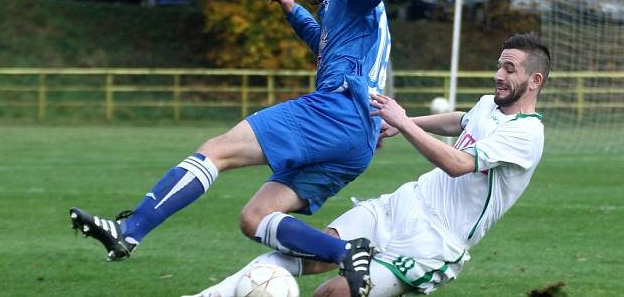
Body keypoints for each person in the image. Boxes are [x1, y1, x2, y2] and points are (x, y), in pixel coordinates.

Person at [70, 0, 389, 296]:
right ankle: (346, 252)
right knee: (255, 217)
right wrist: (295, 13)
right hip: (358, 137)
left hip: (337, 110)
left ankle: (130, 229)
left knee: (216, 150)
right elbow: (331, 48)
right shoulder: (337, 4)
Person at [182, 32, 552, 297]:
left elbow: (457, 163)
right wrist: (401, 124)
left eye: (510, 69)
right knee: (309, 251)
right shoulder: (490, 104)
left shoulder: (527, 135)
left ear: (534, 81)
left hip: (432, 241)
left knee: (336, 292)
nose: (499, 76)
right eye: (499, 66)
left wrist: (404, 121)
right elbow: (461, 120)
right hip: (400, 205)